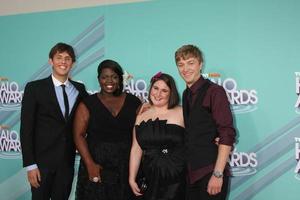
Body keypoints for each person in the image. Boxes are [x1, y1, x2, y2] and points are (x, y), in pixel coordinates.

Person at [20, 42, 89, 200]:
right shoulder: (34, 88)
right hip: (41, 164)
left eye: (67, 58)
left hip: (66, 163)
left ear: (73, 63)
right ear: (51, 61)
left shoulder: (80, 90)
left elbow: (96, 111)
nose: (63, 62)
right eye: (59, 57)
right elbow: (26, 129)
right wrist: (31, 165)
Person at [73, 59, 142, 200]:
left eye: (114, 77)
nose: (109, 81)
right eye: (104, 77)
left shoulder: (133, 102)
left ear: (120, 79)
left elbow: (141, 133)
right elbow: (78, 135)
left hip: (126, 167)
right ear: (99, 79)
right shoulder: (88, 104)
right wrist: (90, 164)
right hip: (97, 166)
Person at [174, 44, 236, 200]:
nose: (185, 68)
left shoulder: (215, 92)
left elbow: (226, 133)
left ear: (200, 64)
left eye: (190, 63)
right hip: (191, 172)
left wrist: (218, 174)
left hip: (211, 171)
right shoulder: (186, 94)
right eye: (181, 64)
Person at [129, 72, 186, 200]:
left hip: (178, 177)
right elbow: (136, 149)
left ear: (171, 94)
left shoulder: (181, 112)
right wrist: (132, 178)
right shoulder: (141, 115)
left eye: (164, 90)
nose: (158, 94)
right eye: (155, 88)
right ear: (151, 88)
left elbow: (197, 138)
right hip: (150, 176)